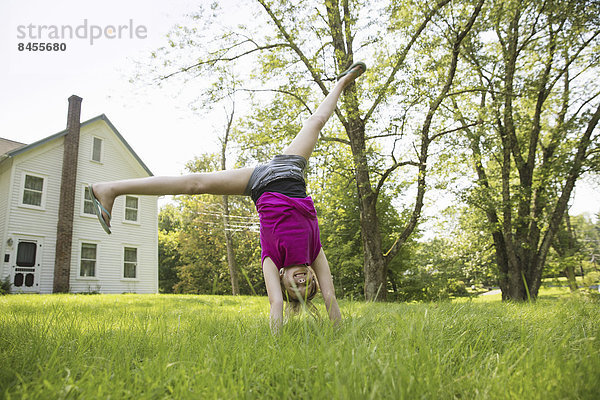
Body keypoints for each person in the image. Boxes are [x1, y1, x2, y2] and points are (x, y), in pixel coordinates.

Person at [89, 61, 367, 333]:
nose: (303, 282)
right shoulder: (313, 252)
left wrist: (276, 340)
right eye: (309, 285)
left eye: (297, 289)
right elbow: (330, 297)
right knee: (317, 122)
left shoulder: (273, 261)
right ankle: (342, 81)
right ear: (313, 276)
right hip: (290, 168)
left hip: (259, 183)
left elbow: (276, 304)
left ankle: (111, 188)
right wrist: (340, 332)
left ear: (282, 280)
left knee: (194, 184)